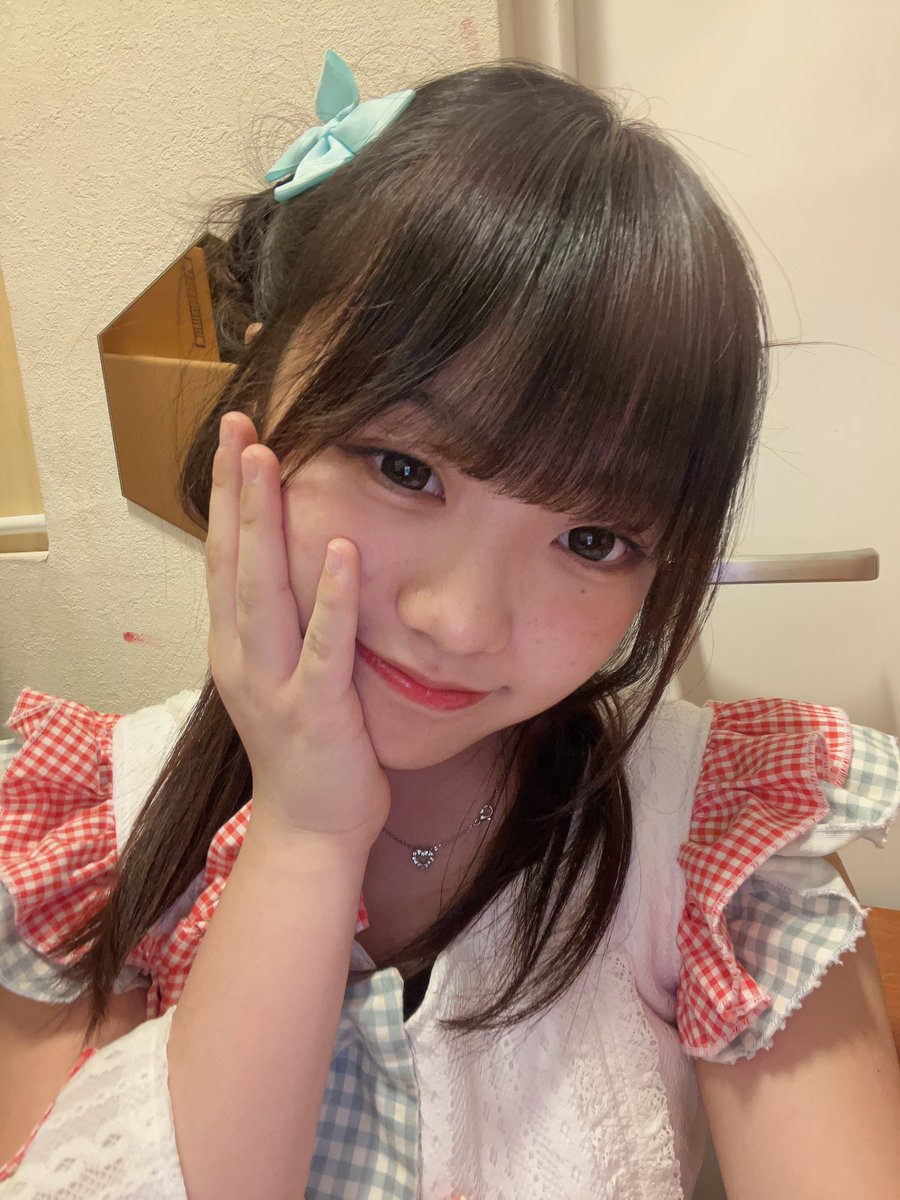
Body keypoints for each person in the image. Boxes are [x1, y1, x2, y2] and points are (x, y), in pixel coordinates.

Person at [1, 47, 898, 1200]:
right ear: (255, 406)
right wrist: (305, 833)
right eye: (404, 467)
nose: (463, 623)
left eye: (593, 539)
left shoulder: (717, 841)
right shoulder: (97, 829)